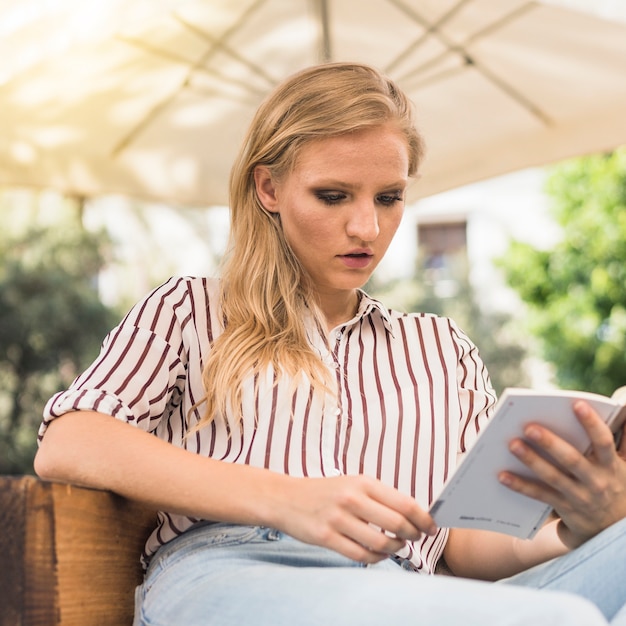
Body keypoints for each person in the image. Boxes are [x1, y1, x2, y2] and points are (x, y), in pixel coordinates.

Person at [34, 62, 626, 626]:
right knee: (564, 620)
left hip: (404, 589)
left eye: (388, 198)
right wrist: (286, 500)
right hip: (235, 571)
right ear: (268, 187)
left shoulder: (441, 349)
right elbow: (71, 439)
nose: (366, 228)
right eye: (333, 196)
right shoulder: (192, 308)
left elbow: (465, 544)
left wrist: (574, 529)